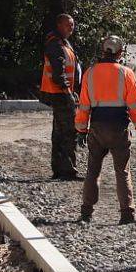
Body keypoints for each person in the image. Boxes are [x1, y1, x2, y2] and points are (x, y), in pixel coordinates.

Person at [74, 35, 136, 225]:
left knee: (93, 170)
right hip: (119, 128)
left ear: (103, 50)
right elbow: (135, 106)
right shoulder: (126, 73)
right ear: (120, 52)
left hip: (97, 127)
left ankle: (86, 213)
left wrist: (81, 130)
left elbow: (83, 105)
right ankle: (127, 214)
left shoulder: (89, 73)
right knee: (122, 170)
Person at [40, 13, 82, 180]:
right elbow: (59, 73)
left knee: (59, 133)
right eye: (68, 25)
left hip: (62, 93)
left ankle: (59, 169)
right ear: (59, 25)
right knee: (68, 132)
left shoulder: (63, 43)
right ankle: (67, 171)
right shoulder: (55, 44)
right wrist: (68, 93)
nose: (71, 28)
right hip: (60, 94)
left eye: (72, 25)